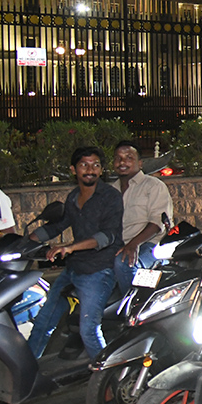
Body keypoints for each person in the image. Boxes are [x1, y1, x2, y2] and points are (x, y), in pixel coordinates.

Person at [26, 147, 124, 359]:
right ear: (73, 169)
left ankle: (108, 381)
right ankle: (26, 375)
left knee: (88, 328)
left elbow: (107, 236)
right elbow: (57, 225)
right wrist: (25, 241)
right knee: (43, 321)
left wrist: (69, 247)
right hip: (74, 268)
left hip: (98, 270)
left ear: (101, 169)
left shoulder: (111, 197)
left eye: (95, 165)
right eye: (84, 165)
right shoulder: (72, 197)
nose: (90, 170)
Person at [110, 140, 174, 296]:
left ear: (140, 163)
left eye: (129, 157)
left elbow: (157, 223)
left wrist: (133, 244)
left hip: (150, 245)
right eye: (118, 158)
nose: (122, 162)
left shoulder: (153, 186)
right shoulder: (110, 191)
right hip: (120, 245)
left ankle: (133, 309)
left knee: (124, 263)